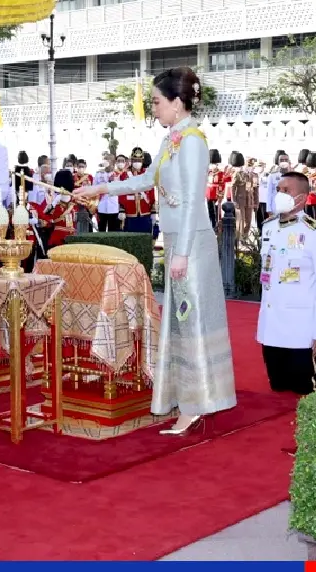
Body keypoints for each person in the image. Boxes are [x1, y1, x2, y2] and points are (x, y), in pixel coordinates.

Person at [75, 67, 236, 434]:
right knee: (181, 319)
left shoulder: (193, 140)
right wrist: (101, 190)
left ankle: (197, 401)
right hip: (181, 241)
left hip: (191, 243)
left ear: (178, 103)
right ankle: (189, 396)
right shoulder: (171, 139)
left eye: (158, 102)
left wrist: (180, 253)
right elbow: (147, 180)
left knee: (190, 317)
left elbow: (196, 199)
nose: (154, 108)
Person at [257, 172, 316, 395]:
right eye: (278, 190)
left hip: (299, 329)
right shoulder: (269, 227)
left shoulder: (315, 232)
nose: (279, 194)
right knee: (278, 386)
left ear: (301, 199)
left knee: (304, 387)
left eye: (286, 191)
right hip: (272, 327)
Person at [119, 149, 155, 233]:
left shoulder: (147, 174)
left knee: (146, 237)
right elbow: (121, 193)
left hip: (145, 211)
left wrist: (153, 211)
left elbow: (151, 193)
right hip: (129, 212)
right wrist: (122, 209)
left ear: (142, 161)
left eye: (139, 160)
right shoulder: (124, 175)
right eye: (135, 160)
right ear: (131, 160)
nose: (137, 162)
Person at [229, 151, 257, 245]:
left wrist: (256, 202)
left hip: (250, 201)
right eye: (249, 165)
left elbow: (256, 189)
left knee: (248, 221)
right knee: (240, 221)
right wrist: (234, 200)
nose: (251, 167)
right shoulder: (238, 174)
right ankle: (238, 239)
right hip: (240, 200)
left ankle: (245, 238)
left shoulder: (254, 176)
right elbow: (233, 187)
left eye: (252, 166)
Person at [95, 154, 123, 231]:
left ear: (113, 162)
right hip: (101, 206)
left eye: (108, 160)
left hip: (113, 207)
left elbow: (120, 190)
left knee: (113, 231)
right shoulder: (98, 174)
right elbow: (94, 188)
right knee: (101, 230)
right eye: (105, 159)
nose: (106, 161)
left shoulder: (118, 174)